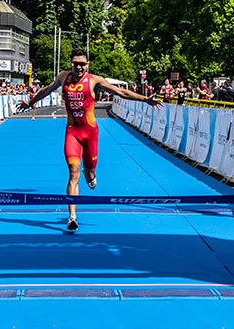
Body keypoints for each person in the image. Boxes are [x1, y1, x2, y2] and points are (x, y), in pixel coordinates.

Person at [16, 49, 162, 232]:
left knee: (89, 175)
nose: (78, 67)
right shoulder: (63, 77)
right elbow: (46, 90)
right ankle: (72, 217)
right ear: (71, 64)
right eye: (75, 63)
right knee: (72, 173)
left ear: (87, 65)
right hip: (72, 133)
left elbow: (120, 92)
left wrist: (145, 99)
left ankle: (90, 173)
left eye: (82, 64)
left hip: (90, 134)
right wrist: (30, 103)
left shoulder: (94, 80)